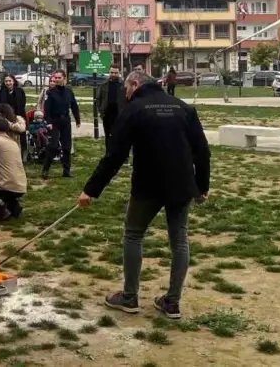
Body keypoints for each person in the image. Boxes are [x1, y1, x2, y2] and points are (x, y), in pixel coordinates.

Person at [77, 71, 211, 320]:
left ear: (136, 84)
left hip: (147, 185)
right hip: (182, 185)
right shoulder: (183, 108)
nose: (125, 94)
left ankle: (129, 297)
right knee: (179, 240)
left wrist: (91, 190)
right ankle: (172, 302)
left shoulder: (133, 110)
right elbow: (202, 151)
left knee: (133, 234)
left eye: (126, 88)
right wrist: (202, 185)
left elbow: (114, 156)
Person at [41, 70, 81, 179]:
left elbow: (74, 106)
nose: (57, 80)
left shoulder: (69, 91)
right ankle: (45, 170)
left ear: (64, 78)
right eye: (56, 78)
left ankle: (66, 171)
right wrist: (48, 122)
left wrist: (77, 119)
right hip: (54, 122)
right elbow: (47, 110)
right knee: (53, 146)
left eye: (59, 78)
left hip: (65, 121)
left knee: (66, 147)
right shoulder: (51, 93)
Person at [0, 74, 28, 159]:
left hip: (18, 116)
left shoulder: (20, 91)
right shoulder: (0, 93)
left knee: (20, 135)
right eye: (6, 81)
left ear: (13, 81)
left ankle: (23, 154)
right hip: (5, 118)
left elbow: (23, 103)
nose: (8, 83)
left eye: (10, 81)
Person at [98, 67, 125, 140]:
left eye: (115, 73)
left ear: (119, 73)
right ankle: (108, 151)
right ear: (109, 73)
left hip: (119, 113)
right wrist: (101, 111)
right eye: (112, 72)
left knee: (119, 135)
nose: (113, 74)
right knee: (108, 136)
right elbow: (99, 99)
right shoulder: (104, 85)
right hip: (107, 114)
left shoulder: (123, 85)